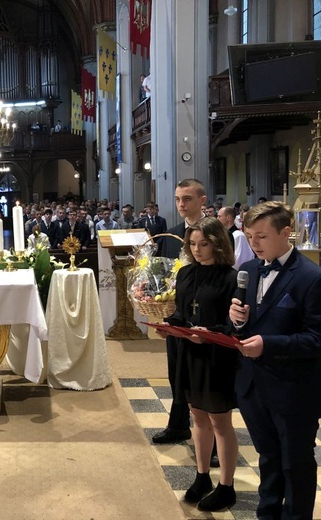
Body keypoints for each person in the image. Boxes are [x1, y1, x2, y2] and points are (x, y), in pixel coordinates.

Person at [229, 202, 321, 519]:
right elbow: (245, 325)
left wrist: (268, 344)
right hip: (254, 385)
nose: (253, 244)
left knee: (294, 463)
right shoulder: (250, 270)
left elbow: (316, 339)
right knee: (267, 457)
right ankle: (267, 513)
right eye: (249, 236)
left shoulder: (311, 277)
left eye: (261, 236)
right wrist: (236, 321)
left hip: (294, 389)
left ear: (286, 233)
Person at [159, 218, 239, 511]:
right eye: (192, 244)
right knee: (197, 417)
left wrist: (209, 334)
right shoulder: (186, 274)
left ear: (218, 243)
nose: (198, 250)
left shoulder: (231, 278)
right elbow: (183, 312)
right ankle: (202, 475)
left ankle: (227, 486)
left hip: (217, 357)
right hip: (189, 354)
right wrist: (168, 325)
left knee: (220, 421)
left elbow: (234, 324)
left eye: (203, 244)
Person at [153, 178, 207, 445]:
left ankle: (212, 435)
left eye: (187, 199)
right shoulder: (172, 234)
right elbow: (162, 275)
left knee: (203, 376)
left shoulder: (218, 233)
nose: (181, 204)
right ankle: (178, 424)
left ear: (202, 201)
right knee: (176, 370)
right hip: (176, 313)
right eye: (177, 199)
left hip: (206, 316)